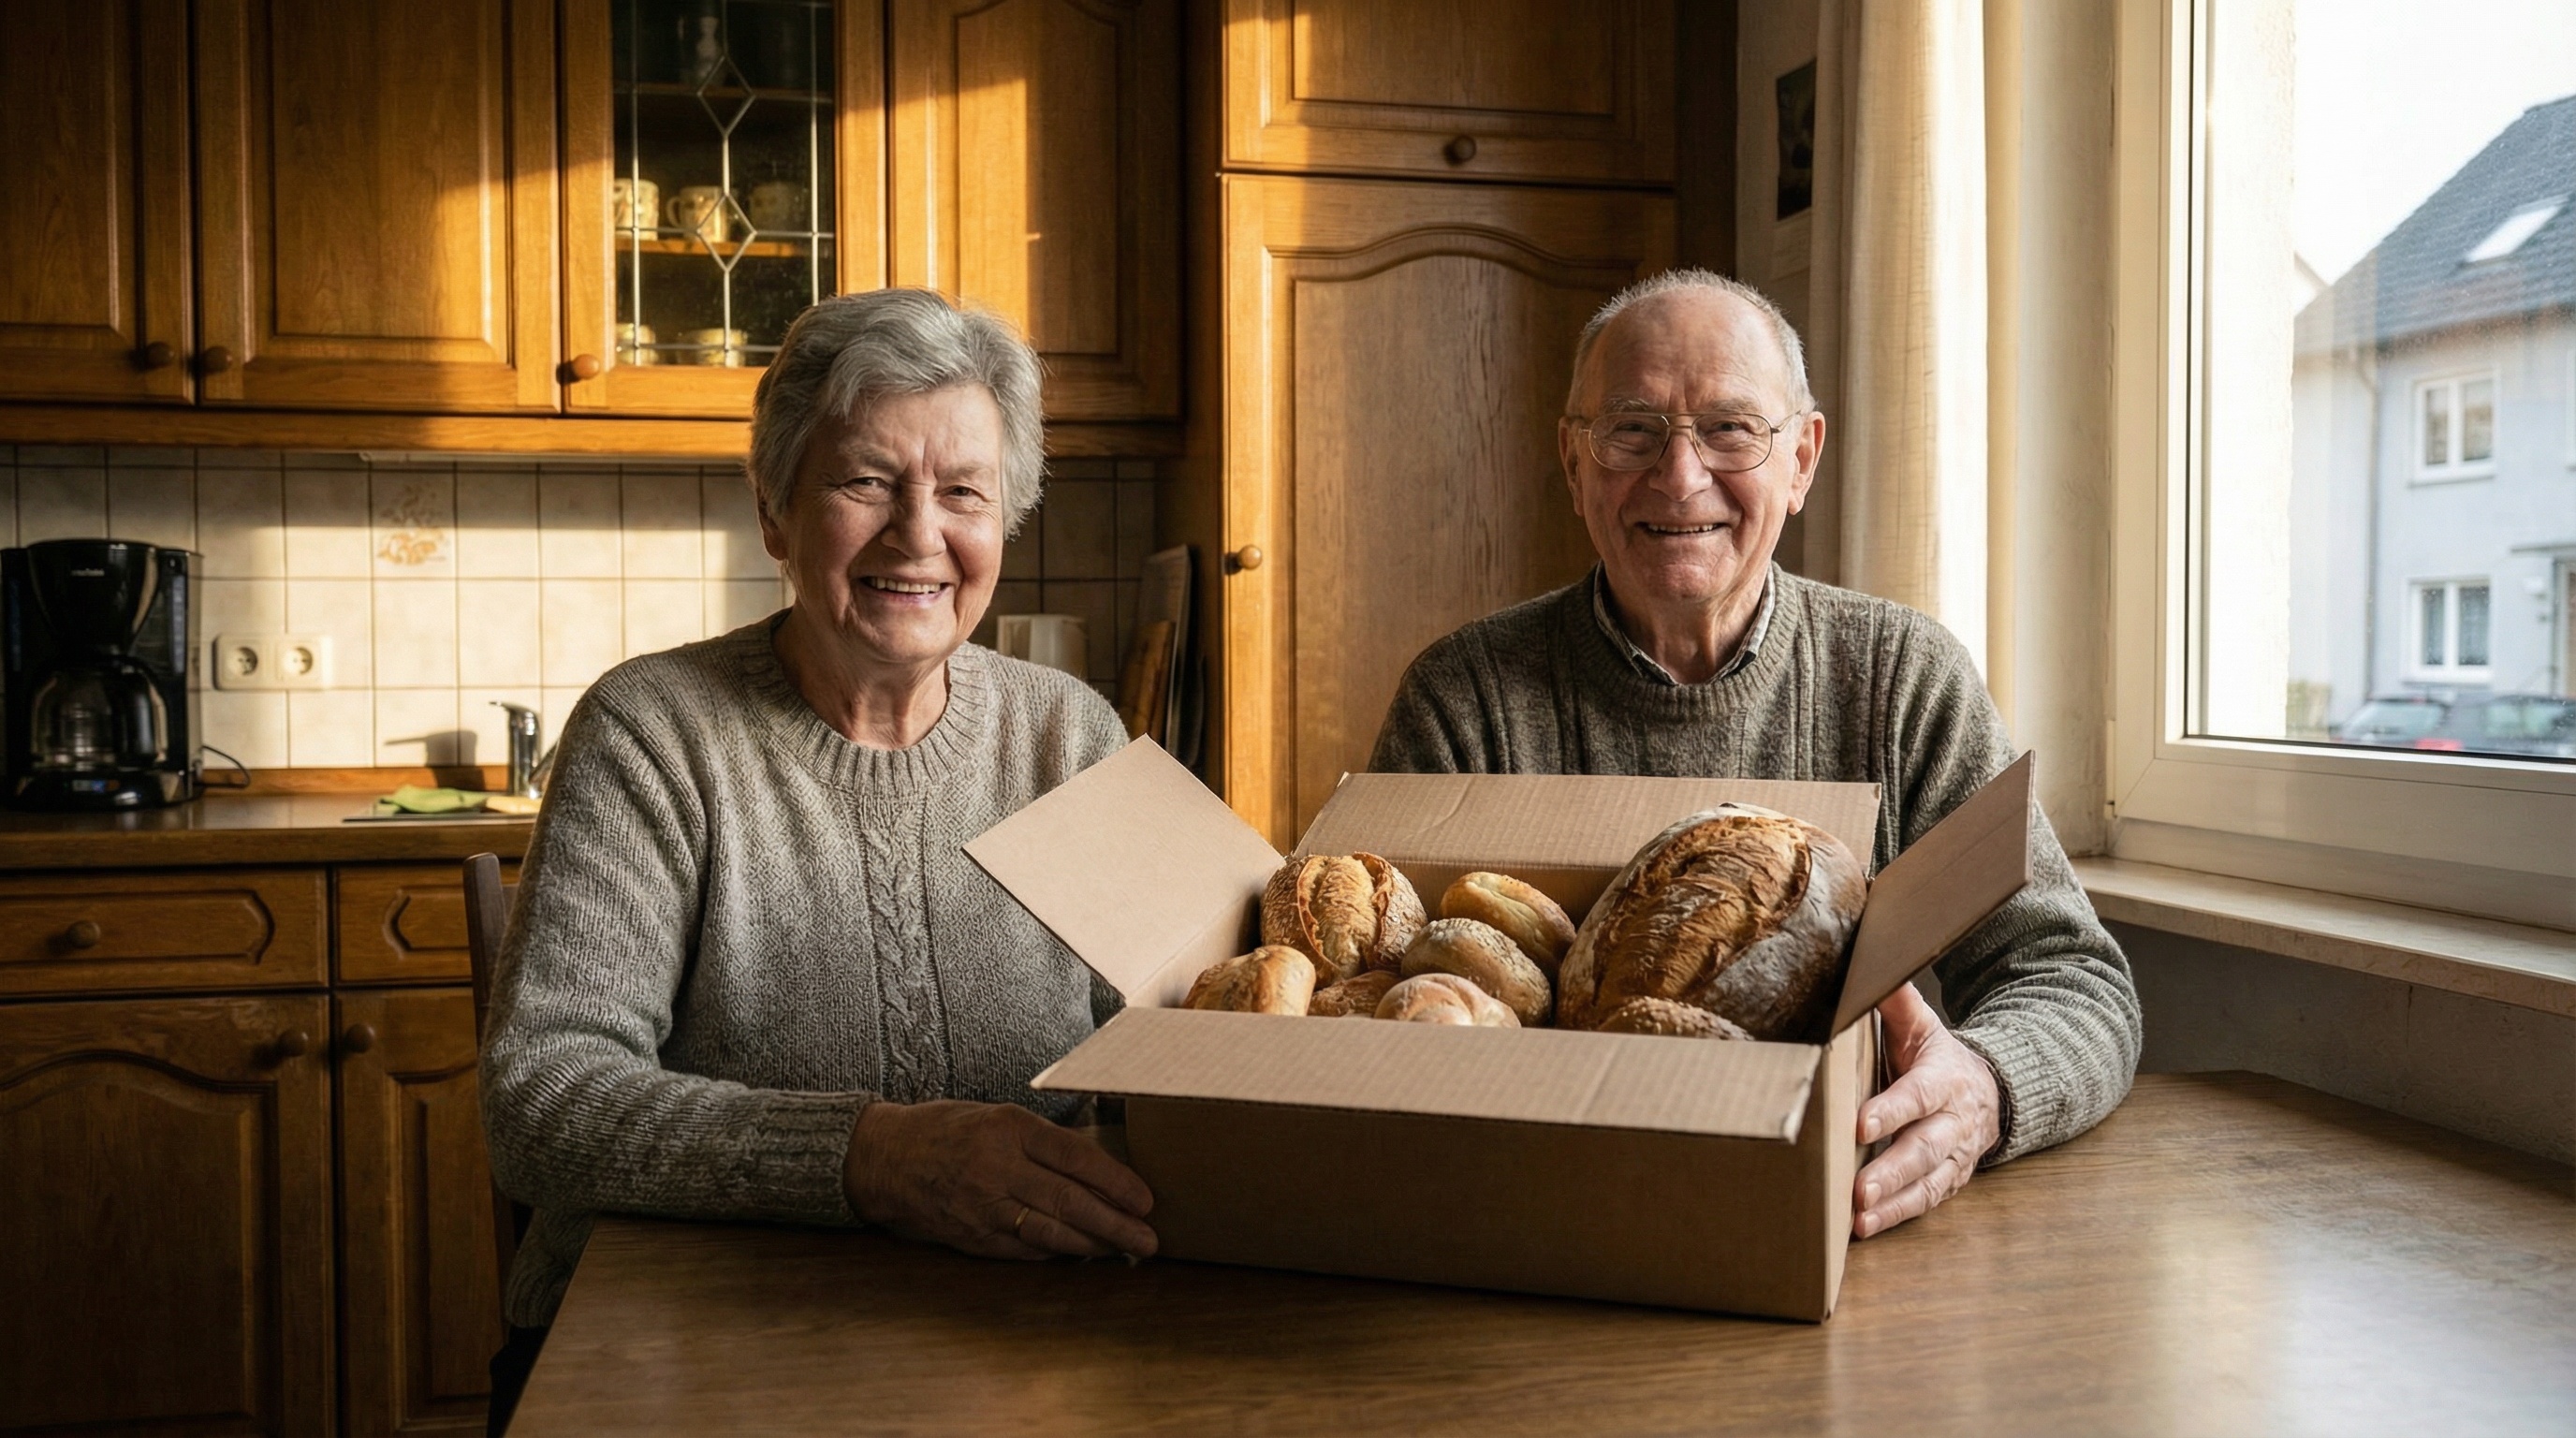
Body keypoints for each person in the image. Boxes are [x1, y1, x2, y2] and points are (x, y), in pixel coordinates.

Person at [478, 290, 1156, 1431]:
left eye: (964, 493)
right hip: (693, 1349)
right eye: (866, 482)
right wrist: (872, 1158)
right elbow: (542, 1102)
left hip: (1025, 1342)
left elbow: (1191, 1045)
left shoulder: (1071, 735)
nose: (918, 534)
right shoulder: (654, 730)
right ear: (776, 513)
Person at [1369, 268, 2141, 1241]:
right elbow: (1368, 997)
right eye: (1631, 431)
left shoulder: (1901, 677)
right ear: (1574, 464)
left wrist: (1981, 1089)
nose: (1679, 478)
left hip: (1821, 1231)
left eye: (1730, 429)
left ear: (1802, 459)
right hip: (1530, 1220)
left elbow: (2074, 979)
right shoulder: (1463, 696)